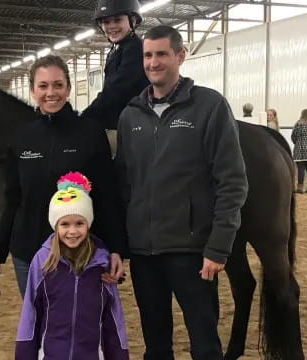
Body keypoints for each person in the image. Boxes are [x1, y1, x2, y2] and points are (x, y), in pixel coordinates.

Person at [115, 26, 248, 359]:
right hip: (145, 255)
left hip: (193, 253)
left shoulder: (209, 106)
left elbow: (232, 181)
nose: (154, 62)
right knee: (156, 346)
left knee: (204, 344)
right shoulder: (130, 115)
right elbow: (124, 185)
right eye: (148, 55)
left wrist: (218, 247)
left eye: (161, 54)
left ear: (180, 56)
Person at [0, 55, 126, 300]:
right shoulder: (21, 137)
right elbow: (12, 201)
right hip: (28, 255)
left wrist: (116, 249)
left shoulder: (90, 133)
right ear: (32, 91)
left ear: (68, 88)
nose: (51, 93)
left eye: (58, 85)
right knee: (38, 329)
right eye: (43, 86)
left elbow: (107, 195)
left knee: (80, 328)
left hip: (80, 254)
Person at [15, 172, 129, 359]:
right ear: (55, 226)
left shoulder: (102, 263)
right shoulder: (43, 260)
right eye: (65, 224)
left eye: (79, 223)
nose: (73, 231)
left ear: (88, 223)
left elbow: (113, 318)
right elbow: (30, 313)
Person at [81, 0, 149, 151]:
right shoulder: (116, 49)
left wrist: (84, 118)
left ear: (132, 20)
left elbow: (114, 91)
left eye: (118, 20)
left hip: (134, 130)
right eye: (106, 22)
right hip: (119, 124)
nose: (111, 26)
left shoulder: (136, 49)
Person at [291, 109, 307, 194]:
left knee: (300, 169)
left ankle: (300, 188)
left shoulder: (298, 124)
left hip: (300, 149)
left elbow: (293, 136)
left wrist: (297, 143)